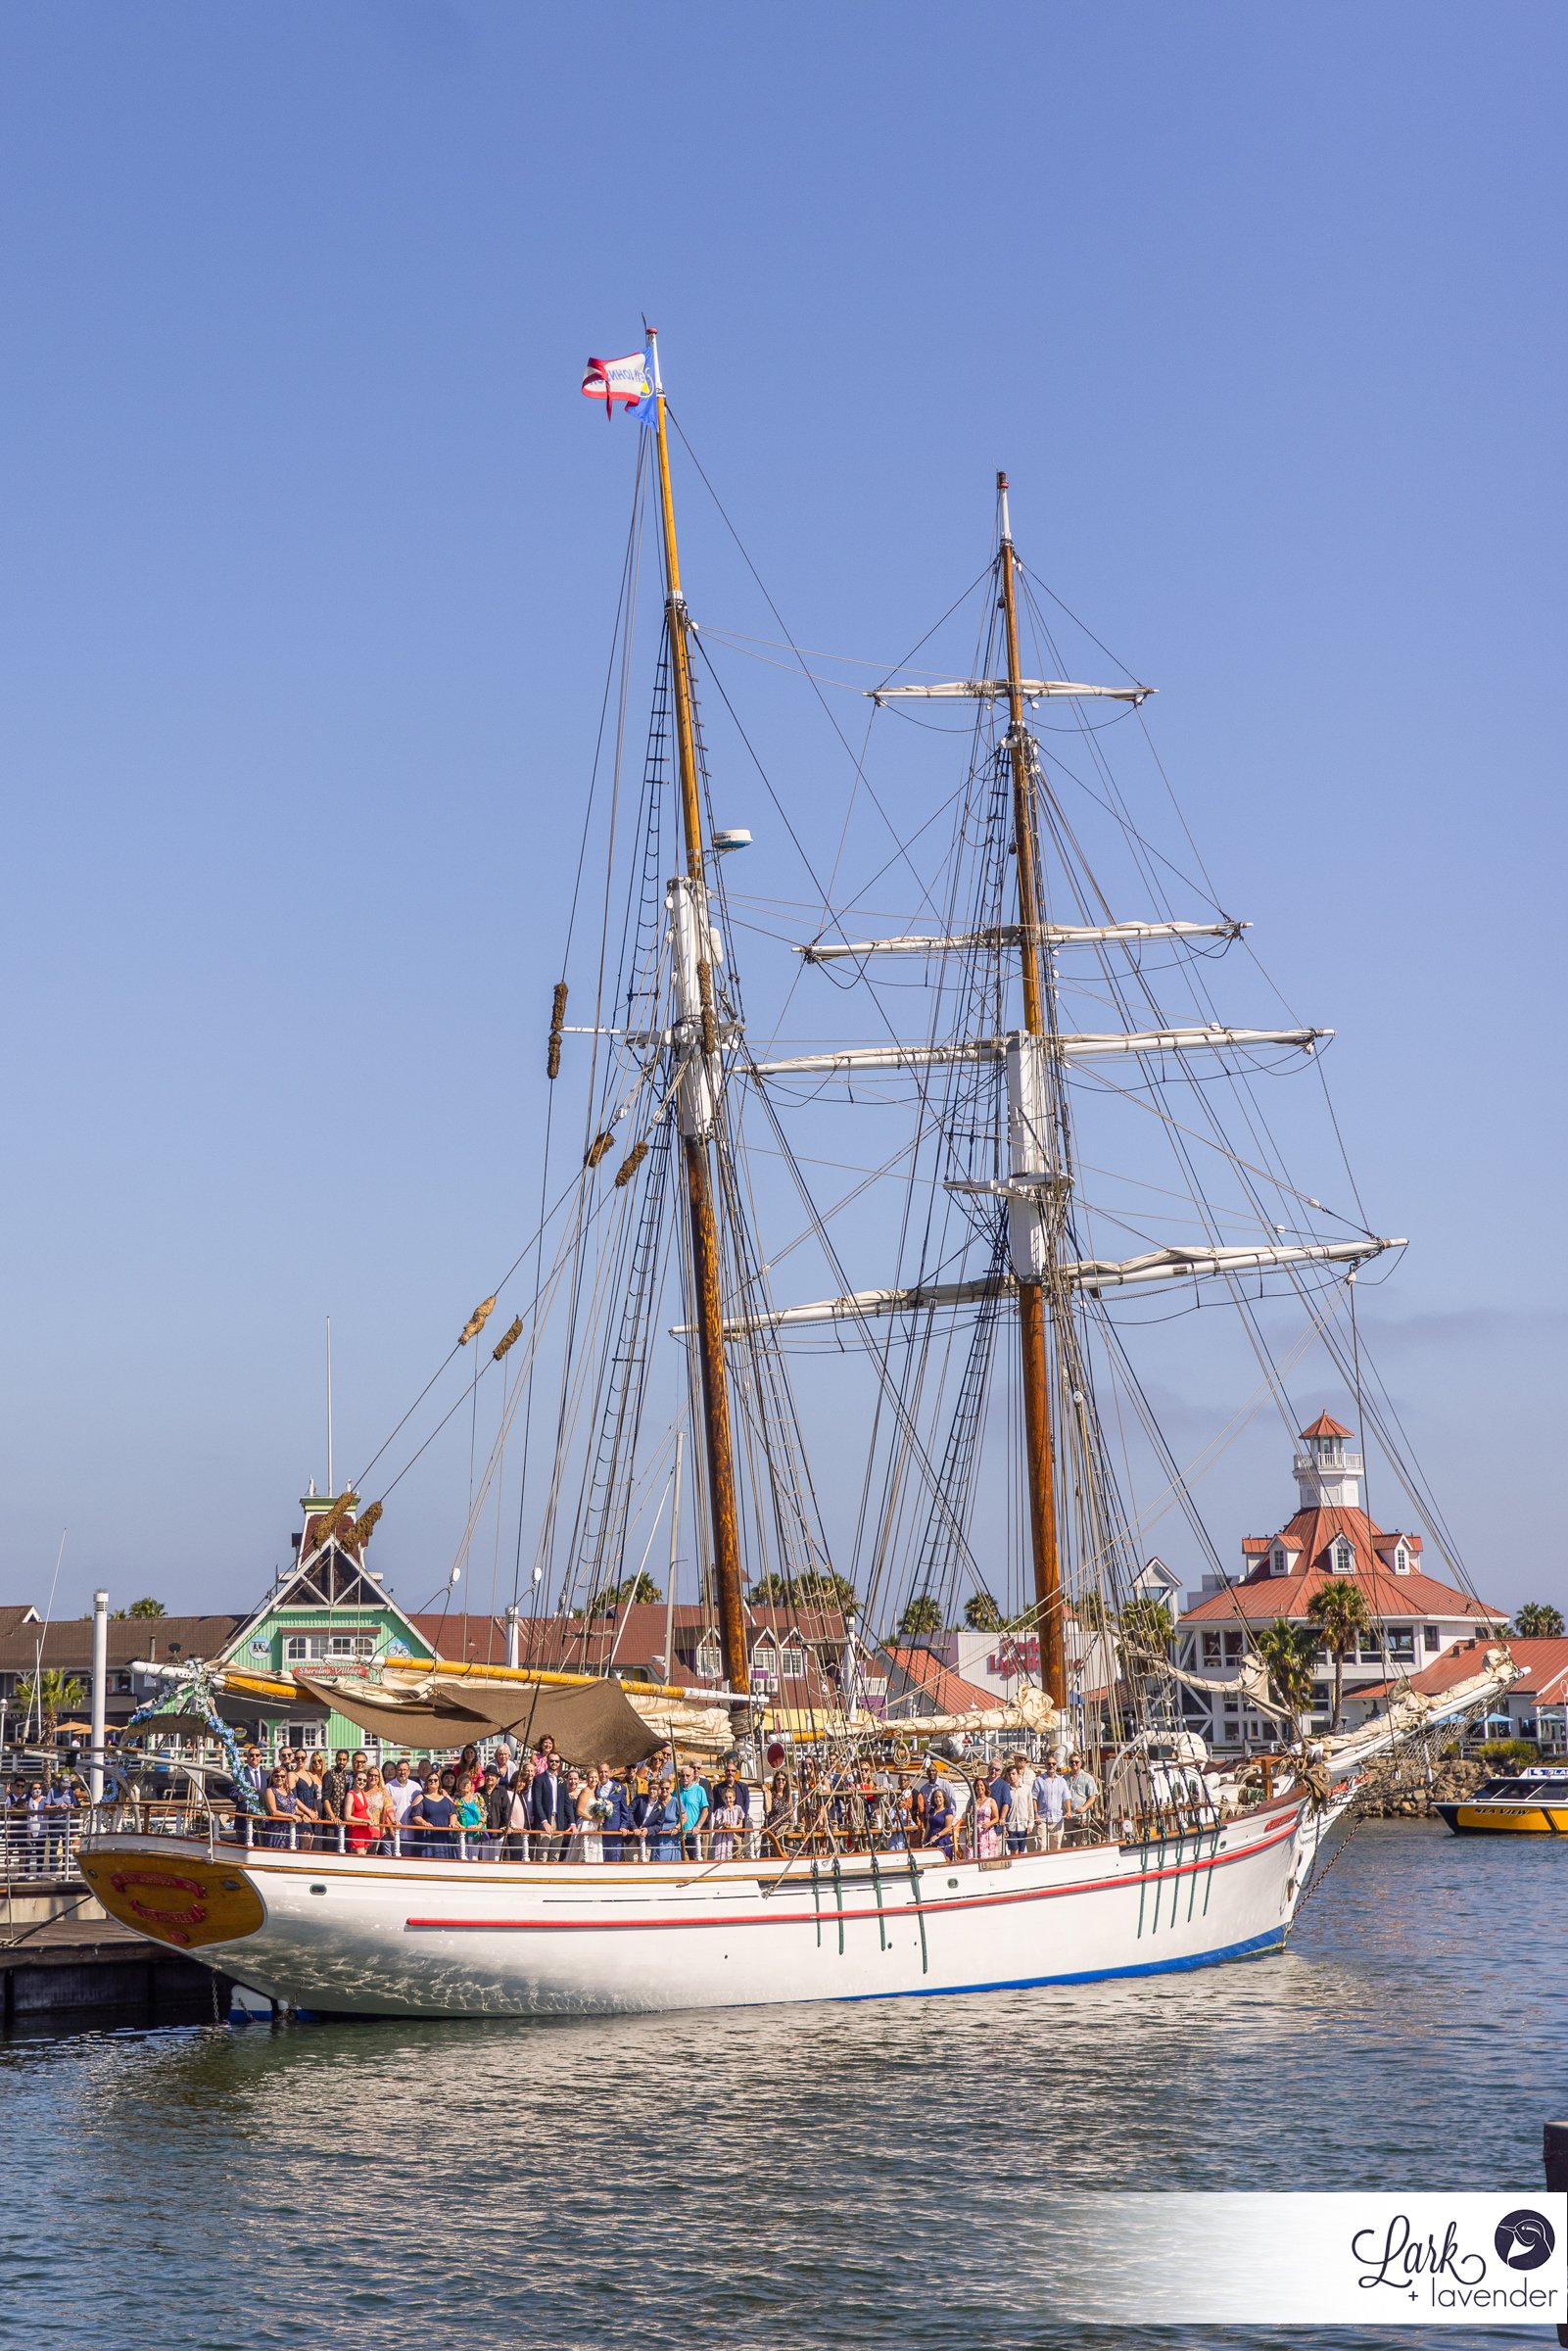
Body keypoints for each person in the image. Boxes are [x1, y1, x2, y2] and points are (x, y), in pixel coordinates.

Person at [530, 1752, 573, 1860]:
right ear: (547, 1762)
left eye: (557, 1761)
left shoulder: (562, 1781)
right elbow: (537, 1802)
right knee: (542, 1856)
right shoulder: (539, 1779)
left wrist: (572, 1823)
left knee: (555, 1856)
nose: (554, 1763)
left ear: (559, 1763)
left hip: (559, 1820)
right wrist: (544, 1821)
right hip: (544, 1820)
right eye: (552, 1761)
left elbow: (567, 1803)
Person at [412, 1772, 458, 1861]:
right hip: (428, 1833)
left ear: (439, 1782)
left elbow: (453, 1812)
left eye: (435, 1780)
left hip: (445, 1834)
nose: (433, 1781)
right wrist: (424, 1823)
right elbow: (415, 1815)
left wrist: (452, 1823)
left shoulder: (446, 1797)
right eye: (430, 1780)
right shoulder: (421, 1797)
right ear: (427, 1783)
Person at [385, 1757, 421, 1856]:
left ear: (409, 1771)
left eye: (405, 1770)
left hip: (412, 1833)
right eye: (400, 1770)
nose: (402, 1772)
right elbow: (385, 1810)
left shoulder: (416, 1787)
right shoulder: (388, 1787)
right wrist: (390, 1829)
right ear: (396, 1771)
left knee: (408, 1861)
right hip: (394, 1832)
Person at [565, 1769, 601, 1864]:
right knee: (583, 1852)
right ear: (587, 1779)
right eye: (591, 1777)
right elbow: (579, 1811)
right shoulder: (586, 1791)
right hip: (585, 1824)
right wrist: (595, 1819)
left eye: (595, 1777)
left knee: (592, 1851)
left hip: (594, 1825)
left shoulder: (595, 1793)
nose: (593, 1779)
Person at [675, 1762, 710, 1860]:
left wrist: (698, 1826)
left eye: (687, 1775)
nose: (685, 1778)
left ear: (693, 1776)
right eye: (682, 1775)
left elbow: (705, 1811)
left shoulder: (699, 1790)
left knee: (695, 1860)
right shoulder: (676, 1791)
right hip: (679, 1834)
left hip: (693, 1833)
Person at [1036, 1756, 1069, 1851]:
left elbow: (1066, 1797)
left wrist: (1069, 1811)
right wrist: (1036, 1814)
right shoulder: (1039, 1780)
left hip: (1057, 1819)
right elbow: (1034, 1798)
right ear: (1045, 1765)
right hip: (1042, 1819)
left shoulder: (1062, 1781)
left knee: (1056, 1848)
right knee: (1041, 1848)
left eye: (1053, 1764)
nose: (1051, 1766)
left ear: (1056, 1765)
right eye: (1049, 1764)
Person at [1004, 1760, 1036, 1856]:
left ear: (1018, 1775)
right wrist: (1004, 1827)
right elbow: (1004, 1809)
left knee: (1021, 1852)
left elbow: (1030, 1807)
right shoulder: (1006, 1790)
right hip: (1011, 1826)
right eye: (1009, 1774)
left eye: (1013, 1774)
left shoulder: (1026, 1789)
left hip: (1023, 1826)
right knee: (1014, 1851)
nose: (1011, 1776)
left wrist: (1031, 1824)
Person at [710, 1775, 746, 1862]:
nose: (728, 1800)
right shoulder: (720, 1811)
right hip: (722, 1837)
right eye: (726, 1798)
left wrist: (731, 1827)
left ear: (734, 1798)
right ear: (723, 1799)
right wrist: (722, 1824)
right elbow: (715, 1827)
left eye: (730, 1797)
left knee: (736, 1855)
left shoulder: (738, 1809)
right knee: (721, 1855)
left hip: (734, 1835)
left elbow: (740, 1825)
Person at [923, 1772, 957, 1860]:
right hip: (931, 1840)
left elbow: (948, 1827)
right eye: (935, 1797)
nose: (938, 1799)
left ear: (944, 1798)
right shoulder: (931, 1811)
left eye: (939, 1797)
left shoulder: (948, 1811)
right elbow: (928, 1827)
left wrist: (937, 1835)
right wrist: (924, 1840)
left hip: (942, 1841)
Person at [505, 1761, 535, 1861]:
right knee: (516, 1857)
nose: (522, 1784)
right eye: (519, 1781)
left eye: (524, 1782)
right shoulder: (509, 1794)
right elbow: (507, 1813)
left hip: (525, 1832)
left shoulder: (521, 1795)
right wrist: (513, 1826)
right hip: (515, 1833)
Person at [262, 1767, 299, 1850]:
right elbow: (274, 1812)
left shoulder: (289, 1791)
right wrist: (291, 1816)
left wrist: (304, 1815)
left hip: (291, 1828)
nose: (279, 1778)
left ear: (285, 1778)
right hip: (278, 1829)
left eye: (282, 1776)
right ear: (272, 1777)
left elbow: (295, 1809)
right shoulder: (270, 1791)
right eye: (277, 1776)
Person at [1065, 1751, 1100, 1835]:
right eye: (1071, 1762)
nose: (1074, 1764)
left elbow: (1093, 1796)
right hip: (1067, 1817)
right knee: (1066, 1842)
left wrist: (1084, 1808)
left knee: (1081, 1841)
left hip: (1081, 1818)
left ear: (1080, 1763)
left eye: (1076, 1762)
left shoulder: (1087, 1778)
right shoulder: (1064, 1778)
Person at [292, 1761, 323, 1851]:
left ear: (306, 1759)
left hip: (312, 1815)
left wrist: (315, 1810)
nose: (300, 1760)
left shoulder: (310, 1774)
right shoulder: (292, 1774)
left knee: (310, 1848)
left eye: (302, 1758)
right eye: (297, 1758)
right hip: (303, 1814)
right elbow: (294, 1797)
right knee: (304, 1848)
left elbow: (314, 1795)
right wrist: (307, 1813)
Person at [763, 1769, 794, 1856]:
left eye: (783, 1779)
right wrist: (765, 1795)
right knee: (772, 1855)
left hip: (784, 1829)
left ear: (786, 1781)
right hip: (773, 1829)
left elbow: (790, 1813)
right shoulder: (770, 1793)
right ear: (775, 1781)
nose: (781, 1781)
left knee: (787, 1852)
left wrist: (792, 1827)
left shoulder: (788, 1794)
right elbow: (767, 1809)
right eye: (778, 1779)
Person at [453, 1773, 486, 1857]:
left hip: (476, 1834)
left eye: (467, 1783)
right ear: (458, 1785)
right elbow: (453, 1816)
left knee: (474, 1858)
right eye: (463, 1783)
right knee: (462, 1858)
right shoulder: (455, 1800)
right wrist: (462, 1827)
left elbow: (484, 1813)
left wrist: (479, 1825)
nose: (465, 1785)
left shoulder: (477, 1797)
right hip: (462, 1834)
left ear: (471, 1785)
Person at [320, 1750, 353, 1832]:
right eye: (339, 1759)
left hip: (343, 1819)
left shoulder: (346, 1777)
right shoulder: (329, 1775)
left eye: (344, 1760)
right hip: (330, 1819)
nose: (341, 1762)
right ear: (336, 1759)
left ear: (347, 1761)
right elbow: (325, 1798)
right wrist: (332, 1817)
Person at [971, 1775, 1001, 1860]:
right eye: (977, 1786)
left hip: (988, 1833)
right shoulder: (972, 1802)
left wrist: (988, 1824)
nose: (979, 1787)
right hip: (976, 1834)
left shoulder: (991, 1801)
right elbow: (968, 1817)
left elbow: (996, 1818)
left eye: (981, 1785)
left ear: (985, 1787)